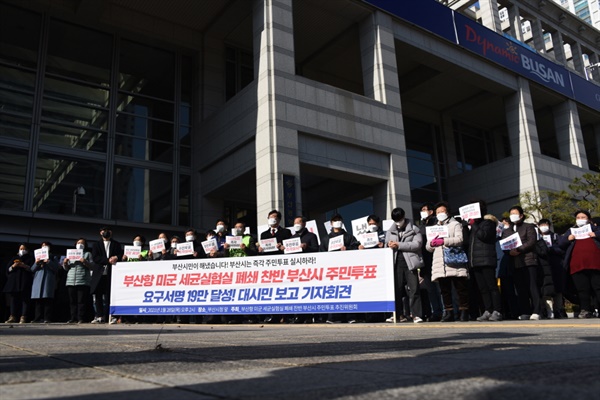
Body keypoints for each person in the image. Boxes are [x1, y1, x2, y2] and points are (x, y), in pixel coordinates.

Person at [426, 202, 470, 322]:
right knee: (444, 290)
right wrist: (431, 243)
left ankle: (464, 311)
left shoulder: (455, 224)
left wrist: (443, 241)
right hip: (440, 262)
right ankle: (449, 312)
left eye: (442, 211)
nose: (440, 214)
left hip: (454, 259)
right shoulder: (434, 227)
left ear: (448, 212)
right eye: (438, 212)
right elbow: (428, 247)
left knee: (460, 288)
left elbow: (459, 239)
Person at [558, 210, 600, 319]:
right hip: (577, 266)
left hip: (595, 264)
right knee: (582, 289)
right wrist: (568, 239)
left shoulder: (594, 228)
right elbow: (561, 243)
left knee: (598, 287)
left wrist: (596, 234)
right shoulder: (571, 231)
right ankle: (585, 309)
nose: (580, 219)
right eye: (578, 217)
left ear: (589, 219)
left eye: (583, 217)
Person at [385, 207, 424, 323]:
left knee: (414, 289)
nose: (398, 222)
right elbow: (386, 246)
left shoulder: (414, 229)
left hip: (410, 262)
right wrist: (389, 245)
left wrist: (399, 245)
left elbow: (417, 244)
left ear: (403, 217)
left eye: (399, 219)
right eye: (395, 220)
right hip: (396, 262)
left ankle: (416, 314)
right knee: (397, 290)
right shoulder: (390, 231)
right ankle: (397, 314)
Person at [502, 206, 541, 320]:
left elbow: (531, 241)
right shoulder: (507, 230)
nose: (513, 215)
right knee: (520, 288)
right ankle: (525, 311)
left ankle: (536, 310)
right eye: (511, 213)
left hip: (528, 260)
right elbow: (504, 245)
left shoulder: (528, 227)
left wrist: (519, 249)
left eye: (515, 213)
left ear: (521, 215)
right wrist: (510, 252)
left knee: (532, 286)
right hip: (514, 262)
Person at [466, 201, 502, 322]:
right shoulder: (473, 226)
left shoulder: (488, 223)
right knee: (483, 288)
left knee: (492, 286)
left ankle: (497, 310)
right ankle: (488, 309)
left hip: (486, 259)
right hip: (475, 261)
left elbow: (484, 236)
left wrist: (474, 225)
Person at [320, 213, 359, 324]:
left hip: (346, 269)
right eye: (335, 221)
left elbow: (356, 248)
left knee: (347, 292)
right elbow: (321, 253)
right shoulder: (326, 238)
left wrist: (347, 248)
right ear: (331, 223)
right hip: (331, 269)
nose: (337, 222)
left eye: (339, 220)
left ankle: (350, 316)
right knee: (333, 293)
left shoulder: (349, 237)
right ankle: (332, 317)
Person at [91, 226, 123, 324]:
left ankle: (110, 315)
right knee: (98, 295)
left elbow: (120, 255)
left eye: (108, 231)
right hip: (99, 273)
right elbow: (95, 258)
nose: (105, 232)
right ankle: (99, 316)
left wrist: (116, 257)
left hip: (111, 273)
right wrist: (107, 260)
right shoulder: (96, 244)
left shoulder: (116, 244)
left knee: (110, 295)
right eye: (103, 231)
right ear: (100, 233)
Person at [418, 202, 443, 322]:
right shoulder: (420, 226)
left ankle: (446, 311)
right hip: (425, 260)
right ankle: (436, 312)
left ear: (431, 212)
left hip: (437, 258)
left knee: (441, 288)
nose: (422, 211)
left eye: (424, 209)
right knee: (430, 289)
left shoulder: (437, 223)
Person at [538, 219, 567, 318]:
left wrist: (550, 249)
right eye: (541, 224)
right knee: (544, 289)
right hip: (542, 266)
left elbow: (562, 249)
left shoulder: (555, 236)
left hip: (556, 265)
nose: (544, 226)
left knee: (558, 288)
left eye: (546, 224)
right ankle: (546, 310)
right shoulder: (537, 237)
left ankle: (558, 309)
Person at [62, 238, 93, 323]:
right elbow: (66, 268)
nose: (80, 244)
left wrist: (85, 262)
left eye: (82, 243)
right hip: (71, 280)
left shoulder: (87, 254)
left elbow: (92, 266)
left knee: (81, 301)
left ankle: (80, 318)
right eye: (78, 243)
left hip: (82, 280)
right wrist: (65, 263)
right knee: (72, 301)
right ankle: (73, 317)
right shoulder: (70, 254)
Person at [3, 244, 34, 324]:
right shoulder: (14, 258)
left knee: (25, 299)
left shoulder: (30, 258)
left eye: (24, 248)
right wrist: (14, 266)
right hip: (14, 282)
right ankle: (12, 316)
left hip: (25, 281)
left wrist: (24, 266)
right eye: (21, 248)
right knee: (13, 299)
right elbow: (8, 269)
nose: (22, 250)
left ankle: (23, 316)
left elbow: (33, 269)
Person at [30, 241, 59, 323]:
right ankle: (37, 317)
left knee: (47, 300)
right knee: (38, 301)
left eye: (46, 246)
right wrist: (36, 263)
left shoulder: (53, 257)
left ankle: (47, 318)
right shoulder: (37, 257)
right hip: (38, 280)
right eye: (43, 246)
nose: (44, 247)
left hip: (48, 280)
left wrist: (49, 262)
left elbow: (56, 269)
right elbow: (32, 269)